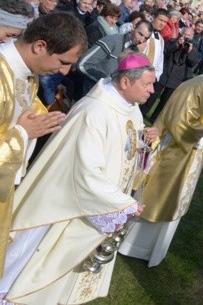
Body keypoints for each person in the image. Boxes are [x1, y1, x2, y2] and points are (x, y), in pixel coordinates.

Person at [0, 52, 158, 304]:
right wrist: (122, 204)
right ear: (125, 82)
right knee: (29, 263)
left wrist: (144, 142)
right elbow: (84, 171)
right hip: (61, 207)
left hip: (90, 204)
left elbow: (124, 149)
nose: (152, 90)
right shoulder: (94, 111)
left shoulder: (131, 109)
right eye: (147, 84)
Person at [119, 64, 203, 267]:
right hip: (173, 153)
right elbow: (178, 122)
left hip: (189, 157)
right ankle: (131, 245)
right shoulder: (195, 87)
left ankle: (152, 250)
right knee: (157, 197)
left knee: (174, 200)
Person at [0, 11, 87, 278]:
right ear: (40, 46)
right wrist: (23, 135)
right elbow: (18, 126)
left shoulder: (28, 72)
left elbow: (23, 108)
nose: (65, 71)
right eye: (63, 62)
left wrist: (45, 120)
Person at [77, 20, 153, 95]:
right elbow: (83, 64)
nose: (141, 40)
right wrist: (106, 81)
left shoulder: (135, 52)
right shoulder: (112, 41)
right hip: (90, 92)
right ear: (133, 27)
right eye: (140, 34)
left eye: (146, 38)